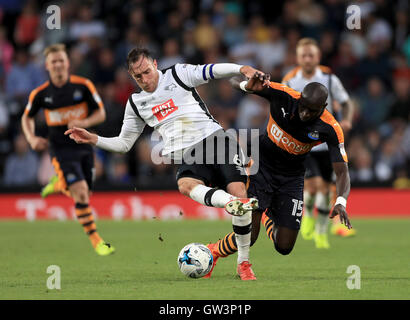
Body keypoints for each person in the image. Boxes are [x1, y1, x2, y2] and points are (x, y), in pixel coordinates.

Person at [65, 48, 269, 280]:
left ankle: (243, 263)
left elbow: (212, 71)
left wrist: (242, 68)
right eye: (138, 77)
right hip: (188, 154)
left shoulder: (178, 74)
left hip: (215, 140)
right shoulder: (136, 103)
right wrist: (93, 138)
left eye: (147, 72)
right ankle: (231, 204)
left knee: (239, 191)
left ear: (155, 63)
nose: (144, 79)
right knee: (185, 184)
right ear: (132, 77)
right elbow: (124, 144)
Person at [204, 75, 352, 278]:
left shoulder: (330, 128)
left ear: (324, 107)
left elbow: (342, 170)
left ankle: (265, 213)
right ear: (300, 97)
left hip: (292, 177)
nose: (305, 113)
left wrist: (341, 200)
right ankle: (212, 251)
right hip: (261, 166)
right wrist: (245, 84)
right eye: (304, 106)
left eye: (312, 110)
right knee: (250, 235)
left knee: (284, 246)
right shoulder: (282, 94)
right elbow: (233, 80)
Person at [21, 43, 114, 256]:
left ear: (68, 63)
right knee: (81, 193)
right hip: (60, 150)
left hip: (84, 147)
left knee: (85, 192)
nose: (58, 65)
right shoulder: (41, 94)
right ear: (47, 65)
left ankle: (58, 184)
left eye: (61, 60)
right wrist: (31, 138)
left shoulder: (83, 86)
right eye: (53, 61)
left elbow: (101, 114)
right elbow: (26, 117)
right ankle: (97, 241)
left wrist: (82, 120)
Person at [281, 38, 356, 248]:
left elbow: (346, 101)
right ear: (297, 58)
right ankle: (308, 217)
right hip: (304, 144)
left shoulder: (329, 78)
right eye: (303, 55)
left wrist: (347, 120)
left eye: (311, 55)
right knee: (314, 186)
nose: (307, 59)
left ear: (318, 57)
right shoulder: (289, 80)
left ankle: (321, 231)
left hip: (326, 142)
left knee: (324, 191)